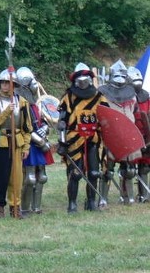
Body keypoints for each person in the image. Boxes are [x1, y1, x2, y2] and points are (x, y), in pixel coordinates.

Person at [57, 63, 109, 212]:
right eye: (80, 81)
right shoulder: (68, 97)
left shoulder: (99, 96)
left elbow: (106, 118)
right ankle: (72, 204)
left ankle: (91, 202)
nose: (83, 83)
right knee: (75, 173)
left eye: (85, 80)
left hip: (93, 137)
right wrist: (62, 141)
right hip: (74, 137)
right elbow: (62, 122)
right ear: (75, 81)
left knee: (94, 172)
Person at [0, 69, 33, 218]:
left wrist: (26, 146)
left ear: (14, 84)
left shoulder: (23, 102)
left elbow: (27, 127)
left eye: (8, 82)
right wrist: (7, 111)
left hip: (17, 142)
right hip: (2, 142)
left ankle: (15, 207)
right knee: (1, 176)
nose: (5, 85)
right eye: (3, 82)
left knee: (17, 177)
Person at [97, 61, 139, 205]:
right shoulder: (102, 93)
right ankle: (103, 198)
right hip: (110, 135)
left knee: (128, 169)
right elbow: (100, 115)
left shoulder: (131, 93)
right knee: (107, 169)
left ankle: (128, 197)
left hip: (128, 134)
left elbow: (135, 112)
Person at [15, 67, 54, 215]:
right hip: (28, 144)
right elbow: (23, 127)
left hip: (39, 143)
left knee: (42, 177)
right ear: (25, 85)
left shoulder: (36, 104)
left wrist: (45, 128)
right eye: (32, 82)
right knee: (30, 178)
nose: (35, 85)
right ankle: (25, 207)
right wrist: (41, 141)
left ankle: (36, 207)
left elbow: (42, 121)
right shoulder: (19, 104)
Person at [128, 66, 150, 202]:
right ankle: (126, 196)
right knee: (128, 167)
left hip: (145, 134)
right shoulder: (124, 97)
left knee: (145, 166)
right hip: (130, 135)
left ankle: (144, 195)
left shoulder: (146, 97)